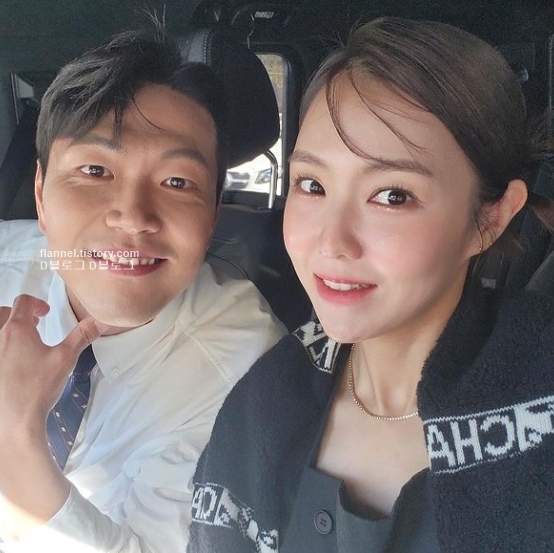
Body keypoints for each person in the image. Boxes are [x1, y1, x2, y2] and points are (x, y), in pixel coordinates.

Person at [188, 17, 554, 553]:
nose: (332, 242)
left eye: (392, 196)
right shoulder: (262, 404)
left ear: (491, 218)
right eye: (312, 185)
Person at [0, 29, 284, 553]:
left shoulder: (245, 370)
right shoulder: (7, 267)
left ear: (213, 213)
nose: (132, 217)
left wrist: (15, 443)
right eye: (94, 170)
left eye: (177, 182)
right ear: (40, 196)